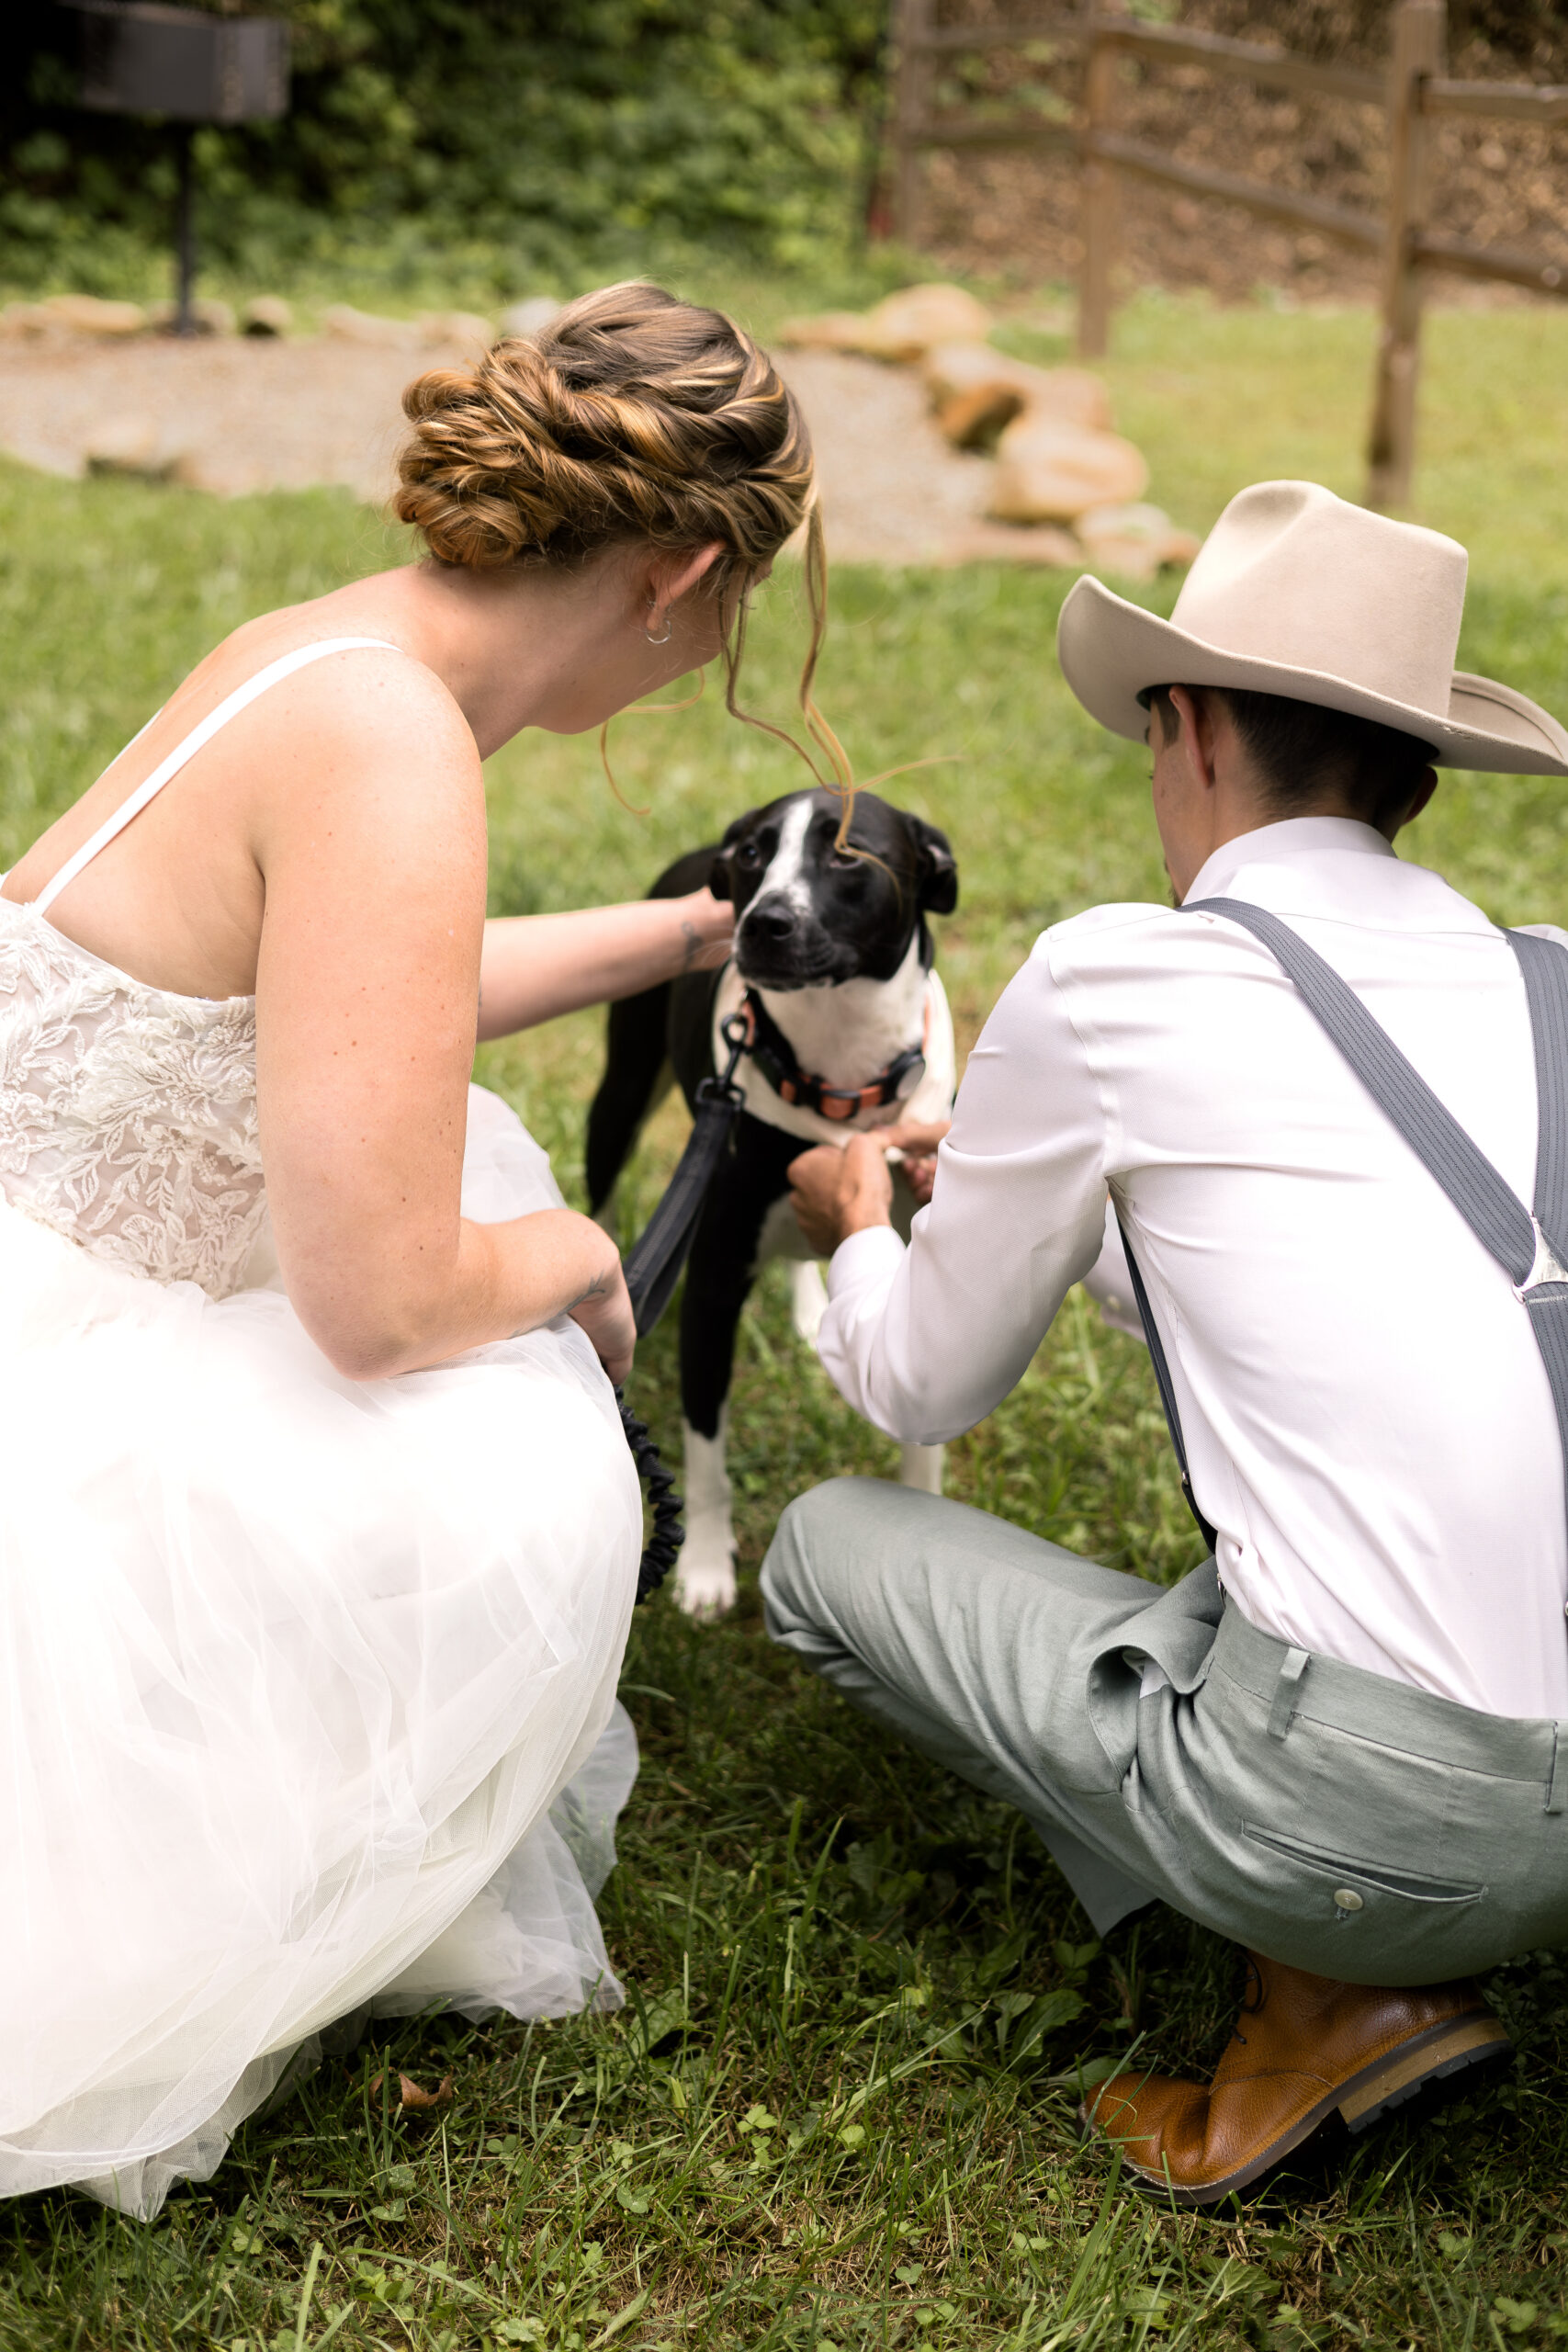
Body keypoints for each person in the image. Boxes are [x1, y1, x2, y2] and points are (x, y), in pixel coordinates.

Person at [0, 282, 813, 2215]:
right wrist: (567, 1261)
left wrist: (690, 935)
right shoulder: (399, 748)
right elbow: (372, 1305)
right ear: (684, 574)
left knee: (455, 1161)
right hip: (65, 1374)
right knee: (520, 1458)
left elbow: (370, 984)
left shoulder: (328, 654)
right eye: (737, 615)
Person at [773, 480, 1568, 2205]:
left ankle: (1322, 1987)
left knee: (826, 1548)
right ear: (1417, 782)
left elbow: (924, 1384)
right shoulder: (1555, 980)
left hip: (1376, 1822)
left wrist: (855, 1238)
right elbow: (1381, 1282)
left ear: (1186, 728)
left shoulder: (1116, 977)